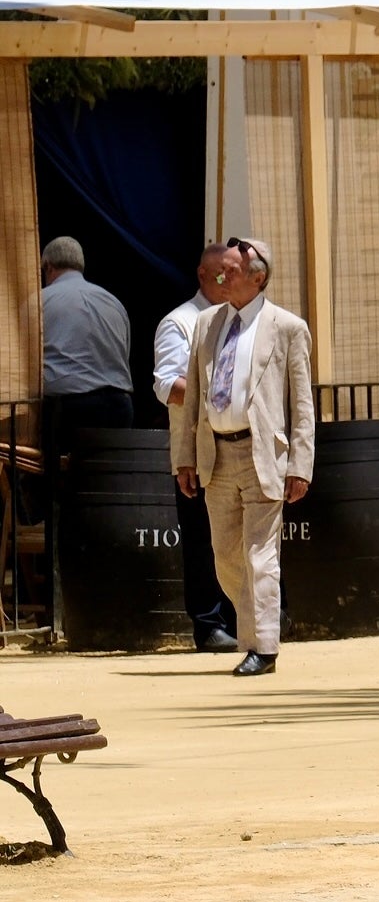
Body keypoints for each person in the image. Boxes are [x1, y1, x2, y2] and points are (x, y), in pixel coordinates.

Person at [169, 238, 313, 677]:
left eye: (231, 271)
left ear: (258, 277)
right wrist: (185, 457)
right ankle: (256, 630)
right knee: (226, 559)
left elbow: (302, 403)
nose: (221, 277)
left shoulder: (288, 328)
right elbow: (192, 396)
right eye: (220, 271)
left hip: (262, 454)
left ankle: (262, 646)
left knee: (260, 555)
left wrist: (301, 466)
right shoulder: (207, 324)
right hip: (217, 452)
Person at [152, 243, 238, 653]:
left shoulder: (242, 323)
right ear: (203, 275)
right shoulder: (180, 322)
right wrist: (220, 397)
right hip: (199, 449)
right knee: (202, 537)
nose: (229, 280)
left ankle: (244, 618)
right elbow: (167, 385)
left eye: (235, 272)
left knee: (238, 538)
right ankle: (208, 624)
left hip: (240, 445)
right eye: (221, 273)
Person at [41, 235, 134, 441]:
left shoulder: (40, 302)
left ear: (47, 266)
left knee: (62, 473)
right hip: (119, 407)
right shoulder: (114, 303)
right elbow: (124, 355)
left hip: (68, 410)